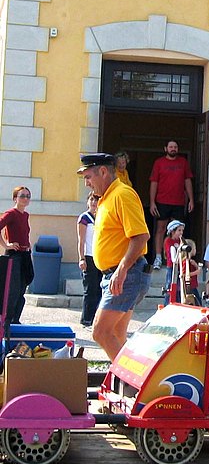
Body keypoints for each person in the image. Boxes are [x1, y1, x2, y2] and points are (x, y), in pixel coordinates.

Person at [77, 153, 152, 361]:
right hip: (117, 275)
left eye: (88, 177)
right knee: (116, 335)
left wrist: (121, 270)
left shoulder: (122, 194)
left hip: (126, 274)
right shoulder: (107, 198)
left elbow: (141, 236)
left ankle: (132, 382)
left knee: (100, 332)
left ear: (103, 171)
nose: (87, 183)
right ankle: (131, 380)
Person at [149, 139, 194, 269]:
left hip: (178, 202)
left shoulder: (183, 163)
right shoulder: (159, 163)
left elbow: (187, 181)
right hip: (162, 201)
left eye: (175, 147)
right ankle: (158, 257)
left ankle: (178, 258)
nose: (173, 149)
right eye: (170, 147)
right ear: (165, 149)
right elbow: (154, 183)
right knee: (161, 229)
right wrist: (152, 202)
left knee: (178, 231)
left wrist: (191, 199)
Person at [0, 186, 34, 325]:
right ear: (15, 198)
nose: (25, 198)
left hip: (25, 255)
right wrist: (6, 245)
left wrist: (28, 244)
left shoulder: (25, 215)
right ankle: (7, 321)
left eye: (28, 196)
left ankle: (16, 320)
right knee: (12, 290)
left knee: (22, 288)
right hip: (14, 255)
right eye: (22, 196)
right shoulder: (11, 213)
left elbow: (23, 233)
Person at [77, 192, 102, 327]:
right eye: (92, 200)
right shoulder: (84, 218)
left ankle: (96, 321)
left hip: (101, 257)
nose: (94, 203)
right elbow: (81, 241)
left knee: (100, 290)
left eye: (96, 200)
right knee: (90, 290)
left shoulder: (102, 217)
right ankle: (86, 320)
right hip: (89, 256)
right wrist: (81, 258)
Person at [163, 219, 185, 305]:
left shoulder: (181, 241)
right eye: (179, 230)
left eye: (182, 230)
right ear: (172, 231)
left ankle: (178, 303)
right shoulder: (169, 241)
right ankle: (166, 304)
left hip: (180, 266)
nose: (181, 232)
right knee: (170, 285)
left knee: (179, 287)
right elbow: (171, 253)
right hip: (171, 266)